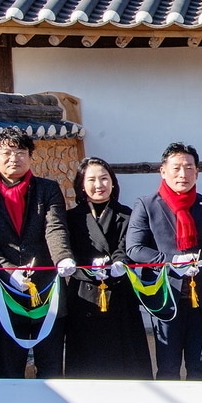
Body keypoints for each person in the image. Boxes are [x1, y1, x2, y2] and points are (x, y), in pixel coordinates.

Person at [0, 127, 76, 379]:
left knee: (50, 367)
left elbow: (56, 228)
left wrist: (63, 257)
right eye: (6, 152)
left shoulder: (47, 189)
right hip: (6, 291)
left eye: (21, 152)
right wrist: (10, 272)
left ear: (30, 156)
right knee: (10, 368)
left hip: (47, 288)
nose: (14, 158)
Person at [126, 142, 202, 381]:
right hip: (165, 297)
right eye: (176, 167)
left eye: (189, 168)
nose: (183, 174)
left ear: (197, 172)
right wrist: (173, 261)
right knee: (168, 369)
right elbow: (135, 249)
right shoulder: (147, 205)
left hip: (201, 299)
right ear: (163, 171)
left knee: (199, 369)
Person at [63, 157, 152, 379]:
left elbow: (127, 247)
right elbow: (67, 251)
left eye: (104, 178)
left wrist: (118, 264)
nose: (99, 185)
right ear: (81, 185)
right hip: (84, 294)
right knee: (87, 362)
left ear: (113, 182)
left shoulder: (127, 214)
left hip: (119, 292)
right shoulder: (72, 218)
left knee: (126, 361)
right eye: (91, 179)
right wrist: (86, 270)